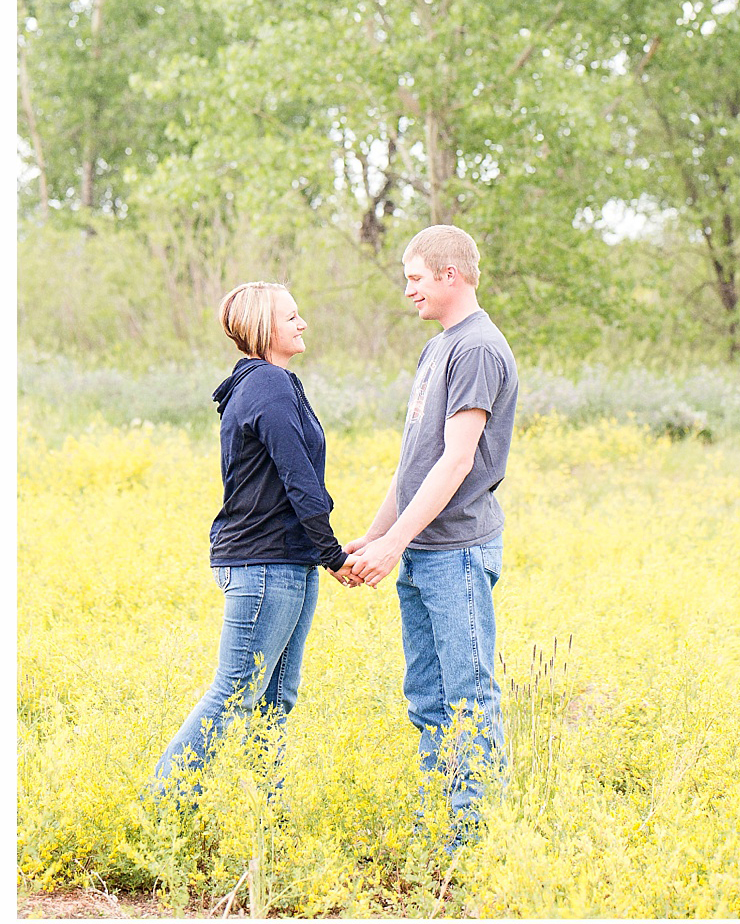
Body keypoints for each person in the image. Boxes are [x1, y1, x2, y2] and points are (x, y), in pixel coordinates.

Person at [344, 224, 518, 841]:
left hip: (458, 551)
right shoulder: (438, 347)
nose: (408, 290)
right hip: (420, 547)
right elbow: (415, 458)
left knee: (468, 692)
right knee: (426, 694)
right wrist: (375, 536)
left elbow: (457, 460)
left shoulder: (476, 348)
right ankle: (436, 824)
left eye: (415, 277)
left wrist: (394, 544)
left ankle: (473, 838)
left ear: (450, 275)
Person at [152, 282, 359, 796]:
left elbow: (294, 477)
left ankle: (266, 816)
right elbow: (299, 478)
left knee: (274, 700)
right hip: (263, 564)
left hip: (289, 562)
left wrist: (319, 554)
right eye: (292, 317)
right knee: (235, 694)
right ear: (266, 327)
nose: (302, 323)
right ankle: (161, 810)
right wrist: (332, 553)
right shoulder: (267, 384)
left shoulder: (274, 382)